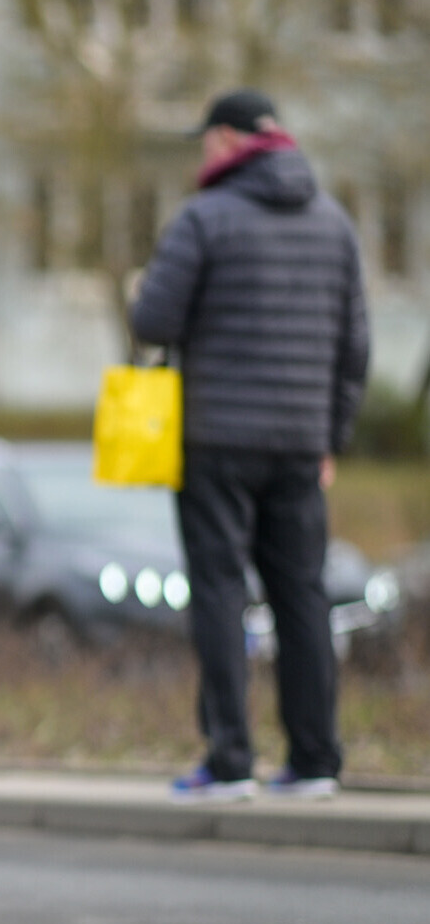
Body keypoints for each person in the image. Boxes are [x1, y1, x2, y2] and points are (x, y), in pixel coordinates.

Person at [129, 88, 369, 804]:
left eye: (206, 141)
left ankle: (230, 761)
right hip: (300, 443)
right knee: (302, 597)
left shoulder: (204, 218)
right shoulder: (334, 223)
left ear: (229, 139)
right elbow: (355, 345)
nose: (204, 153)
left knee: (220, 592)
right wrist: (332, 436)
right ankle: (316, 758)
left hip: (217, 441)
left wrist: (148, 290)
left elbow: (153, 319)